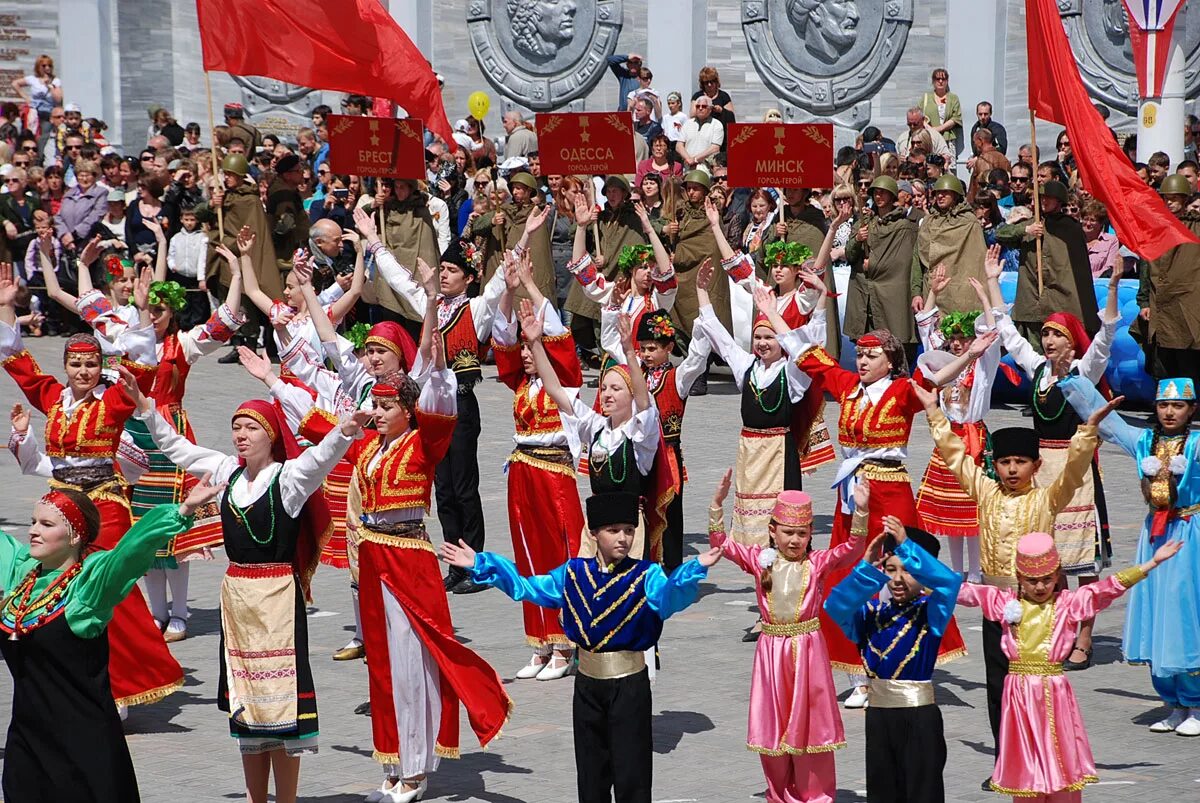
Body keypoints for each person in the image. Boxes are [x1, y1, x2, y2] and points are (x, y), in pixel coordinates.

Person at [311, 285, 511, 802]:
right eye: (374, 406)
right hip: (375, 555)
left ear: (407, 408)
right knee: (380, 659)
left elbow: (440, 393)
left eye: (385, 406)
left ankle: (417, 767)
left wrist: (434, 343)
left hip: (409, 555)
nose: (376, 413)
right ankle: (394, 756)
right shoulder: (372, 450)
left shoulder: (424, 443)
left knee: (411, 659)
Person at [128, 369, 365, 803]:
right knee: (247, 702)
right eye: (235, 426)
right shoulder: (224, 473)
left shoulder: (288, 479)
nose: (239, 434)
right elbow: (178, 449)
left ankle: (286, 799)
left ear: (271, 434)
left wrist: (345, 432)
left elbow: (322, 459)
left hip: (277, 596)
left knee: (281, 705)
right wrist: (146, 410)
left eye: (250, 427)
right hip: (236, 597)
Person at [442, 491, 720, 803]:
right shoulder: (573, 573)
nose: (623, 539)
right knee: (591, 773)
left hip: (629, 686)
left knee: (632, 773)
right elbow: (527, 586)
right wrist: (482, 563)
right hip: (587, 685)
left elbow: (670, 597)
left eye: (629, 530)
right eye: (613, 530)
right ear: (594, 533)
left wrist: (694, 567)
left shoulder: (646, 575)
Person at [914, 379, 1113, 790]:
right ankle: (1008, 760)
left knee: (1039, 686)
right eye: (1005, 463)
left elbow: (1075, 470)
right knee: (998, 684)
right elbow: (955, 457)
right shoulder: (985, 493)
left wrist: (1087, 432)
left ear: (1036, 466)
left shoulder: (1047, 498)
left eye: (1021, 462)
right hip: (995, 602)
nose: (1012, 470)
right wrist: (935, 412)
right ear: (995, 465)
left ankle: (1047, 758)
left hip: (1039, 606)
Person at [0, 480, 222, 803]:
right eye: (33, 521)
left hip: (83, 750)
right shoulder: (23, 575)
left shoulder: (88, 587)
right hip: (27, 744)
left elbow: (129, 553)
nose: (33, 530)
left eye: (46, 524)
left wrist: (183, 510)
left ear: (75, 535)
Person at [789, 310, 969, 707]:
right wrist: (767, 306)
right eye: (860, 355)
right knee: (849, 573)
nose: (863, 362)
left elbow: (937, 377)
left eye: (871, 356)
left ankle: (907, 653)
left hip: (891, 490)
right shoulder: (848, 385)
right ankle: (861, 672)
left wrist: (970, 354)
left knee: (903, 567)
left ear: (890, 360)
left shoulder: (903, 391)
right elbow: (803, 351)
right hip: (854, 494)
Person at [356, 206, 535, 593]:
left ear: (469, 278)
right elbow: (402, 282)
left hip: (463, 405)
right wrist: (373, 242)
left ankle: (477, 565)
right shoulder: (431, 304)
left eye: (453, 271)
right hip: (430, 408)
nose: (445, 275)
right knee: (443, 487)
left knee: (465, 486)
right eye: (444, 270)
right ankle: (455, 562)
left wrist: (523, 237)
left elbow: (505, 277)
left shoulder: (477, 308)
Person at [958, 532, 1182, 801]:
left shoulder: (1067, 603)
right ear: (1019, 578)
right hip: (1019, 695)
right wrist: (912, 559)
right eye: (1032, 581)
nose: (1040, 587)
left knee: (1060, 759)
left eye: (1047, 580)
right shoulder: (1004, 602)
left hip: (1054, 693)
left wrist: (1151, 564)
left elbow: (1109, 587)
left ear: (1058, 576)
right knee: (1026, 768)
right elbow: (959, 590)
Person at [986, 262, 1122, 670]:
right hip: (1042, 471)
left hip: (1076, 471)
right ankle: (1054, 629)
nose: (1047, 341)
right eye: (1045, 334)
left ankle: (1084, 637)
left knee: (1081, 561)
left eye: (1055, 335)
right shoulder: (1039, 371)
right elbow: (1009, 336)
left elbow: (1106, 336)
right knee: (1048, 557)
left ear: (1070, 344)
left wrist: (1112, 286)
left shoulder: (1085, 370)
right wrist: (993, 282)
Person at [709, 473, 868, 803]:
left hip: (808, 650)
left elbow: (853, 549)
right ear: (772, 531)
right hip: (771, 653)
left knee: (811, 726)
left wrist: (862, 512)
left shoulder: (817, 562)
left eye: (801, 533)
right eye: (788, 532)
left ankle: (817, 794)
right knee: (775, 725)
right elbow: (722, 546)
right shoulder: (759, 561)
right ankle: (780, 793)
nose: (795, 540)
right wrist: (716, 505)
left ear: (810, 533)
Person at [1060, 375, 1200, 735]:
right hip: (1154, 534)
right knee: (1156, 609)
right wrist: (1071, 379)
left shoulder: (1198, 444)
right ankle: (1172, 700)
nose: (1169, 412)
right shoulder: (1146, 442)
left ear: (1192, 409)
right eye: (1163, 405)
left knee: (1183, 611)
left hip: (1188, 533)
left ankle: (1195, 701)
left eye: (1178, 405)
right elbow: (1111, 425)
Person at [491, 258, 585, 679]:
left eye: (533, 348)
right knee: (528, 556)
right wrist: (509, 291)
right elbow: (500, 338)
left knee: (559, 553)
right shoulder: (521, 383)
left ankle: (567, 644)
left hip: (554, 474)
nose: (525, 355)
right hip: (522, 473)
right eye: (524, 348)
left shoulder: (564, 379)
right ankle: (540, 643)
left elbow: (560, 332)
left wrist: (530, 283)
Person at [825, 516, 963, 803]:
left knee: (922, 792)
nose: (898, 579)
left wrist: (906, 546)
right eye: (890, 569)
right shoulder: (869, 614)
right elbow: (835, 605)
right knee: (882, 791)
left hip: (920, 719)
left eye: (909, 571)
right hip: (878, 717)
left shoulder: (931, 613)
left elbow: (949, 582)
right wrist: (865, 569)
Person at [913, 266, 1001, 582]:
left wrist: (985, 298)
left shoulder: (984, 364)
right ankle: (955, 567)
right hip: (949, 437)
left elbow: (993, 336)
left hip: (973, 435)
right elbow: (927, 330)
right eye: (953, 340)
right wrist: (934, 292)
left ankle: (976, 568)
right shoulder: (945, 362)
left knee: (974, 504)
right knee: (950, 506)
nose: (957, 345)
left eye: (963, 339)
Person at [997, 180, 1100, 345]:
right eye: (1041, 197)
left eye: (1049, 198)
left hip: (1060, 304)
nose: (1044, 201)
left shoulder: (1071, 228)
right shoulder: (1032, 224)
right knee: (1032, 356)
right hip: (1032, 303)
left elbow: (1078, 273)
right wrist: (1025, 230)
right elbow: (1000, 234)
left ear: (1059, 201)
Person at [208, 152, 280, 359]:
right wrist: (213, 205)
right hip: (223, 256)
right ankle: (236, 343)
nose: (227, 178)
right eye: (225, 173)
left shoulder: (250, 201)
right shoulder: (224, 196)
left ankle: (249, 344)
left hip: (240, 255)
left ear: (241, 175)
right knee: (228, 301)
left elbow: (252, 230)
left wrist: (231, 243)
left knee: (245, 302)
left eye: (231, 174)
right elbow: (202, 216)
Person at [843, 176, 919, 358]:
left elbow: (902, 262)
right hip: (863, 294)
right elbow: (850, 255)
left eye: (883, 192)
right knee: (865, 347)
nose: (879, 196)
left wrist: (874, 264)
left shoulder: (904, 227)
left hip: (890, 294)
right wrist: (858, 240)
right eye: (875, 192)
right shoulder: (864, 222)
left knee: (893, 348)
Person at [1136, 173, 1200, 384]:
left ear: (1184, 199)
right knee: (1160, 362)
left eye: (1175, 197)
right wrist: (1144, 301)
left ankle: (1186, 406)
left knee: (1187, 361)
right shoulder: (1155, 228)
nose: (1170, 202)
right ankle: (1165, 405)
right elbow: (1145, 267)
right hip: (1159, 304)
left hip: (1186, 304)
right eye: (1167, 198)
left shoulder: (1195, 227)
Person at [918, 68, 962, 156]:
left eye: (943, 79)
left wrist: (938, 129)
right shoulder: (926, 97)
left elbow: (956, 118)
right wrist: (930, 129)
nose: (941, 81)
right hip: (930, 138)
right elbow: (919, 115)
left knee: (947, 166)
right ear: (933, 81)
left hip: (947, 139)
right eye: (938, 79)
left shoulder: (953, 98)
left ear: (947, 81)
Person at [677, 97, 724, 171]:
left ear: (710, 109)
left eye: (704, 106)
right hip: (687, 168)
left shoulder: (717, 125)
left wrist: (695, 159)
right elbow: (679, 146)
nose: (700, 108)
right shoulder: (687, 123)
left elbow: (715, 148)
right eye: (698, 106)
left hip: (706, 169)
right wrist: (689, 159)